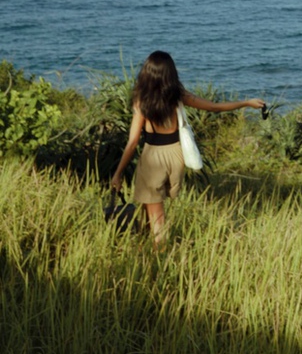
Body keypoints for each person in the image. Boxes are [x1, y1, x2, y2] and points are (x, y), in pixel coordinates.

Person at [111, 50, 265, 242]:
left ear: (147, 73)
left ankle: (160, 259)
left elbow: (133, 142)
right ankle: (146, 248)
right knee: (148, 208)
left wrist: (118, 173)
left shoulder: (142, 101)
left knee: (157, 219)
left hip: (153, 159)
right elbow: (213, 107)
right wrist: (245, 103)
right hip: (176, 156)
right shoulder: (178, 95)